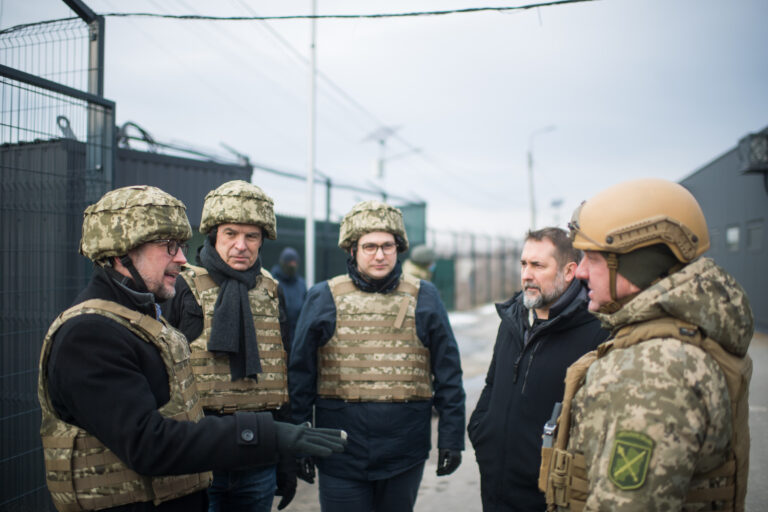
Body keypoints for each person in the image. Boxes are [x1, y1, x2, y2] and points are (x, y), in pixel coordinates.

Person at [38, 185, 347, 512]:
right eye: (169, 246)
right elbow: (148, 442)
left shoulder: (142, 315)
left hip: (230, 464)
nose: (183, 258)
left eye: (181, 246)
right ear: (121, 251)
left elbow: (279, 375)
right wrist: (265, 436)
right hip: (206, 459)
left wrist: (280, 451)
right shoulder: (91, 334)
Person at [539, 178, 753, 511]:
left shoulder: (654, 371)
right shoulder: (673, 339)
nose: (579, 272)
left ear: (636, 267)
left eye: (592, 259)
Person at [289, 199, 466, 512]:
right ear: (353, 249)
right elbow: (300, 377)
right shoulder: (323, 297)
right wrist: (299, 441)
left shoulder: (425, 296)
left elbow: (449, 374)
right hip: (340, 452)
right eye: (370, 246)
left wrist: (451, 438)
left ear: (399, 248)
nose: (380, 255)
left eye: (388, 246)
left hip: (404, 452)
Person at [162, 180, 295, 512]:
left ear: (262, 240)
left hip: (258, 459)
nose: (241, 245)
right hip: (199, 457)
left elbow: (283, 374)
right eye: (231, 234)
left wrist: (286, 460)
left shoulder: (271, 290)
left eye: (251, 236)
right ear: (213, 235)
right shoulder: (180, 288)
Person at [468, 227, 608, 511]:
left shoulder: (597, 334)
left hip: (548, 496)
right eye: (523, 264)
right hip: (495, 485)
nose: (526, 275)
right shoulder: (512, 320)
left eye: (537, 265)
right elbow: (493, 383)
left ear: (569, 271)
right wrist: (482, 432)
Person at [270, 247, 307, 344]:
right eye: (289, 263)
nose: (292, 266)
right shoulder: (272, 282)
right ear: (282, 263)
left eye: (295, 263)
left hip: (296, 336)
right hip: (276, 336)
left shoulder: (301, 284)